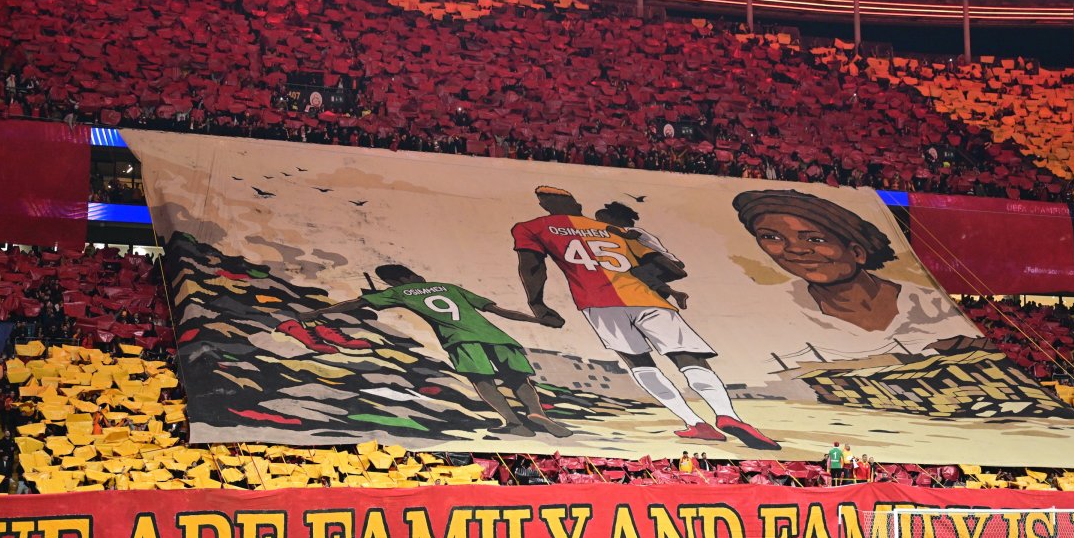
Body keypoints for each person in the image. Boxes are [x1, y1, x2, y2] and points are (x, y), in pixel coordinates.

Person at [513, 186, 778, 449]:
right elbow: (664, 266)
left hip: (599, 304)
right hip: (647, 299)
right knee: (688, 357)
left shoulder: (531, 228)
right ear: (576, 204)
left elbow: (532, 266)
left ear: (544, 205)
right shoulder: (616, 230)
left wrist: (537, 304)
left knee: (640, 364)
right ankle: (728, 415)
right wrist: (664, 287)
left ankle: (694, 422)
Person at [296, 264, 571, 438]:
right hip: (496, 336)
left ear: (394, 282)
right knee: (518, 378)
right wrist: (537, 321)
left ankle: (513, 422)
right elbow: (499, 310)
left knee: (482, 381)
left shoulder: (400, 292)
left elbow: (356, 304)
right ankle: (538, 413)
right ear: (409, 275)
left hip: (459, 340)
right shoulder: (450, 288)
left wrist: (317, 313)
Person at [732, 189, 981, 357]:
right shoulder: (777, 308)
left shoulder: (929, 304)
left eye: (815, 239)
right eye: (771, 237)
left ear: (857, 252)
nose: (795, 250)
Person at [593, 202, 688, 308]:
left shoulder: (633, 230)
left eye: (602, 219)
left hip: (665, 262)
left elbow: (630, 236)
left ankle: (673, 286)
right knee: (639, 279)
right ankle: (672, 293)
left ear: (615, 218)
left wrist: (613, 230)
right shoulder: (622, 237)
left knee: (637, 271)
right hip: (655, 264)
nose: (601, 223)